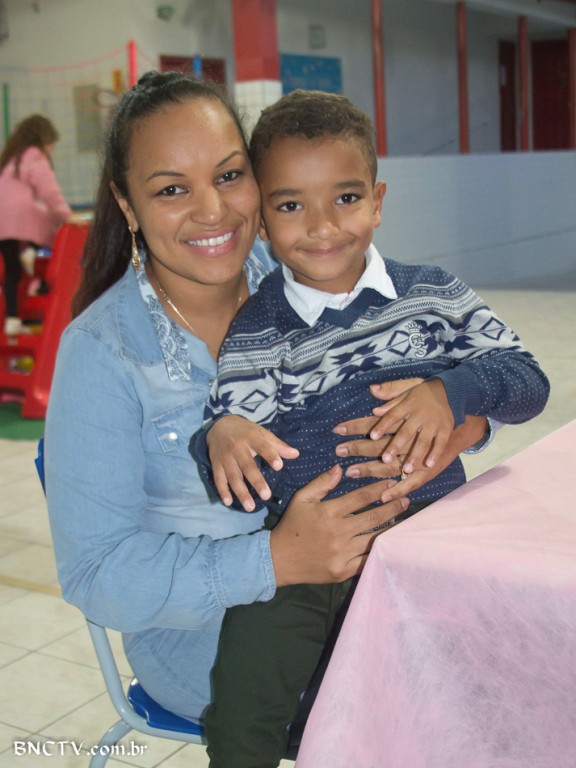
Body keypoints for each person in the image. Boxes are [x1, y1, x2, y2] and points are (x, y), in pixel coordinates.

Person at [45, 71, 490, 760]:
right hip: (210, 641)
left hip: (368, 585)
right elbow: (97, 577)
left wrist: (462, 420)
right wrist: (274, 559)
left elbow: (443, 358)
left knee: (510, 651)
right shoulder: (103, 354)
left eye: (229, 176)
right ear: (127, 205)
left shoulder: (304, 270)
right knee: (433, 706)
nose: (212, 211)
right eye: (171, 190)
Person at [194, 90, 550, 767]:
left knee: (495, 689)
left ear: (378, 201)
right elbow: (237, 468)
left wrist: (452, 392)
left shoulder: (432, 294)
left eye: (347, 198)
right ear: (262, 220)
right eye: (291, 205)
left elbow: (529, 383)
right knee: (244, 701)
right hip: (314, 558)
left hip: (435, 547)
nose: (323, 225)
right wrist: (221, 439)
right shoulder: (259, 331)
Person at [0, 114, 79, 335]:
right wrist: (66, 215)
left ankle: (12, 320)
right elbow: (50, 192)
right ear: (45, 141)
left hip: (2, 223)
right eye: (51, 147)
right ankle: (31, 251)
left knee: (12, 272)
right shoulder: (36, 158)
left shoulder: (11, 159)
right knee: (50, 221)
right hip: (22, 218)